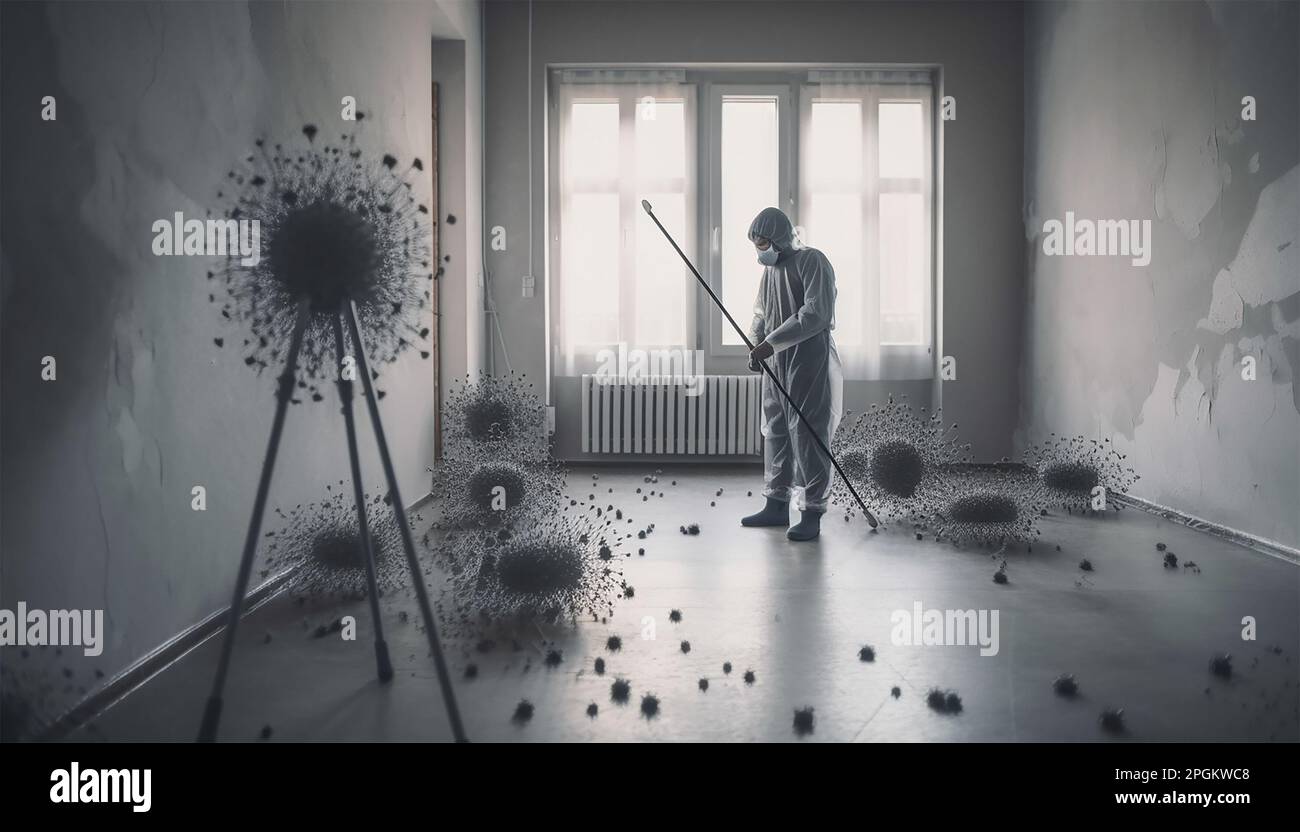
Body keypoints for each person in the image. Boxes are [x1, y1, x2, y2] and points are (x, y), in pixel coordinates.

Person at [740, 207, 843, 541]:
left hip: (807, 362)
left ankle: (812, 511)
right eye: (756, 244)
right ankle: (776, 503)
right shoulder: (770, 273)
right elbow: (761, 312)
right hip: (776, 364)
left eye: (764, 242)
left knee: (809, 433)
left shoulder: (812, 262)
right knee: (777, 431)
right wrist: (756, 343)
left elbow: (815, 314)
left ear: (781, 237)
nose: (761, 250)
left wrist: (770, 344)